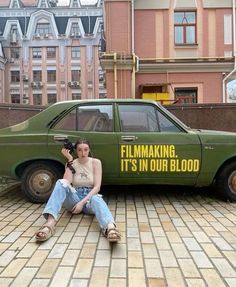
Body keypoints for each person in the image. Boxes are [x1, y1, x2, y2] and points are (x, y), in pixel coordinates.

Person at [35, 138, 121, 242]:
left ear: (89, 150)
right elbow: (66, 183)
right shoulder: (72, 163)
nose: (83, 153)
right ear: (76, 151)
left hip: (90, 198)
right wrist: (70, 160)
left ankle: (110, 228)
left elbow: (97, 187)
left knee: (97, 199)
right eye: (80, 150)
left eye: (86, 149)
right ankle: (49, 225)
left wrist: (82, 203)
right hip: (74, 198)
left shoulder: (96, 162)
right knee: (60, 182)